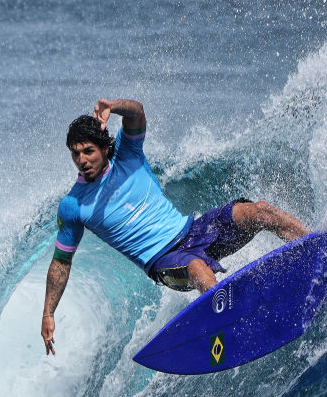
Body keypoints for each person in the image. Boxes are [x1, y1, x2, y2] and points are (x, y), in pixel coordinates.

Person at [41, 98, 310, 356]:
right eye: (75, 154)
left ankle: (314, 244)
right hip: (162, 262)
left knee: (259, 211)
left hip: (193, 231)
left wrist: (112, 106)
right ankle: (233, 328)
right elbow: (61, 263)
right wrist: (48, 313)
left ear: (105, 149)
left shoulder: (128, 155)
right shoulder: (73, 205)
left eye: (88, 151)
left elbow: (136, 112)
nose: (82, 160)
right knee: (197, 269)